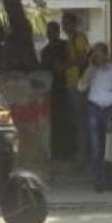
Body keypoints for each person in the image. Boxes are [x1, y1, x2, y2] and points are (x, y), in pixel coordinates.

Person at [78, 42, 112, 192]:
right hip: (94, 109)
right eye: (95, 54)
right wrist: (90, 69)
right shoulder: (91, 70)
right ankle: (98, 182)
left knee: (110, 147)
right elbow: (81, 88)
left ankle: (110, 182)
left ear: (106, 55)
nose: (97, 57)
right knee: (95, 146)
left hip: (111, 110)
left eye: (99, 54)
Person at [62, 12, 92, 168]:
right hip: (72, 84)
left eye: (67, 23)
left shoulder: (78, 38)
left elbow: (82, 59)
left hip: (78, 85)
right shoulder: (69, 40)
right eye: (63, 23)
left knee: (81, 122)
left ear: (73, 24)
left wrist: (65, 66)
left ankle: (82, 157)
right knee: (77, 121)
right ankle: (81, 155)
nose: (65, 26)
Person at [39, 21, 71, 160]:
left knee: (66, 119)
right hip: (50, 89)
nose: (49, 33)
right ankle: (56, 150)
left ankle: (66, 150)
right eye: (48, 31)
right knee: (52, 121)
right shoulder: (45, 50)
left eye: (52, 31)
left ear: (57, 32)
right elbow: (43, 68)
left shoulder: (66, 46)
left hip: (66, 86)